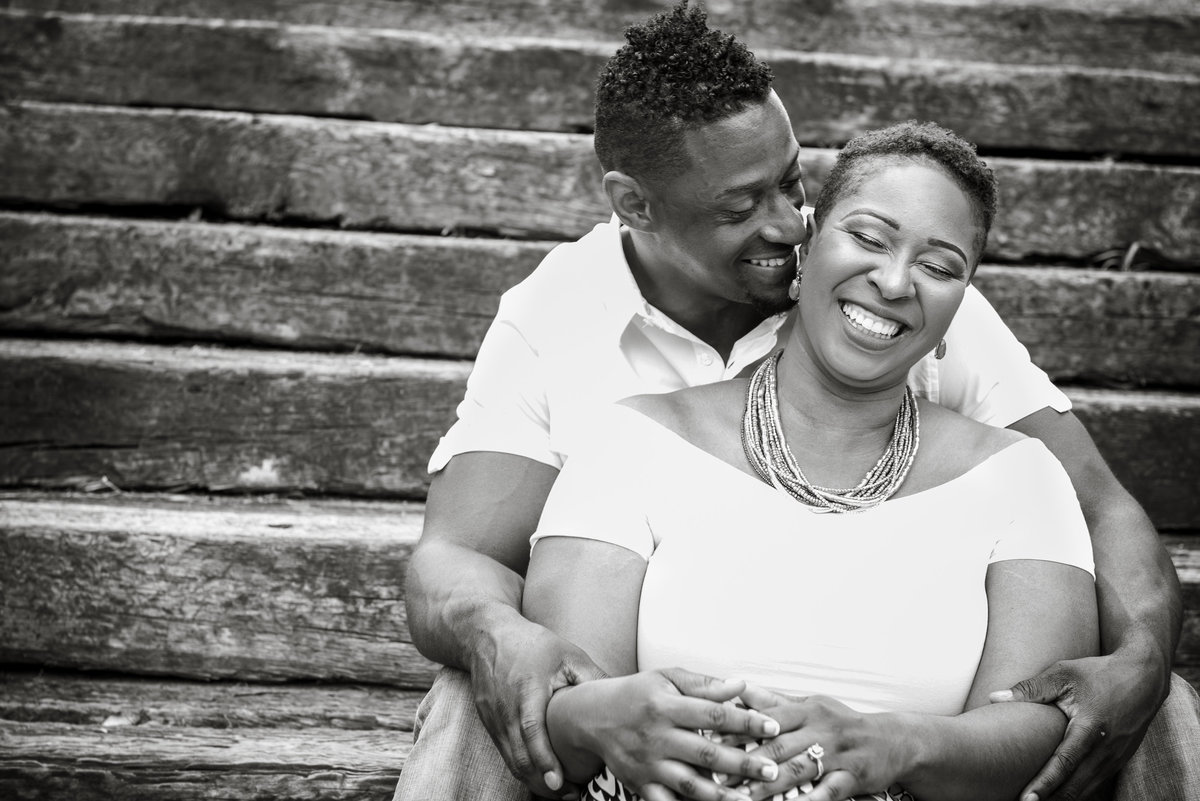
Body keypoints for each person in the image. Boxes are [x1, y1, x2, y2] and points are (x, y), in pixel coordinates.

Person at [397, 4, 1190, 801]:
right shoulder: (561, 321)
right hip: (647, 732)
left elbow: (1098, 505)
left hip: (894, 752)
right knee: (492, 689)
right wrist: (503, 635)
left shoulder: (900, 297)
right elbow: (450, 557)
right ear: (635, 205)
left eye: (791, 181)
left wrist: (1144, 658)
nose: (788, 224)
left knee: (1149, 702)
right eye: (741, 208)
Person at [522, 119, 1100, 801]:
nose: (892, 281)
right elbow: (563, 713)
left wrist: (898, 743)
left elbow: (1036, 735)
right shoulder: (635, 443)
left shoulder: (1020, 478)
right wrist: (614, 719)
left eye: (939, 266)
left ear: (958, 310)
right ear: (807, 249)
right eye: (867, 237)